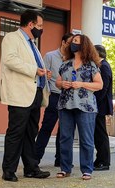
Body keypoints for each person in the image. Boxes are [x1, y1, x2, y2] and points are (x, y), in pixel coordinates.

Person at [0, 9, 51, 182]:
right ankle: (9, 170)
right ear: (30, 24)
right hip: (20, 95)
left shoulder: (32, 44)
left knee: (30, 132)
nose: (41, 29)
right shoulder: (12, 38)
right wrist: (35, 70)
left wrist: (42, 73)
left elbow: (32, 66)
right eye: (40, 26)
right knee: (16, 132)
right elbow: (10, 60)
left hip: (35, 94)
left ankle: (31, 168)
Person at [55, 34, 103, 180]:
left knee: (86, 139)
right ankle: (65, 168)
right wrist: (62, 84)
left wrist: (81, 84)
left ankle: (87, 169)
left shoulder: (91, 65)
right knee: (65, 138)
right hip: (65, 104)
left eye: (76, 41)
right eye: (72, 41)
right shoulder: (65, 63)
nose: (73, 44)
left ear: (84, 45)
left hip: (86, 107)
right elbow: (58, 82)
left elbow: (99, 85)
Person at [35, 33, 74, 167]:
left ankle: (61, 160)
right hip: (54, 96)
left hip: (68, 98)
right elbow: (42, 75)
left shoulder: (73, 59)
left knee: (64, 131)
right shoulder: (50, 56)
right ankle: (35, 159)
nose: (71, 46)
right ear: (63, 42)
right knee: (46, 128)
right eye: (69, 43)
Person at [93, 44, 113, 171]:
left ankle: (104, 161)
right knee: (98, 134)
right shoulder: (102, 65)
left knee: (100, 134)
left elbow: (103, 88)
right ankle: (100, 159)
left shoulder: (104, 66)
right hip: (99, 105)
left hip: (100, 106)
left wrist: (95, 101)